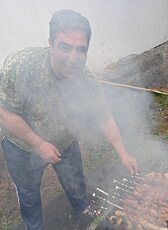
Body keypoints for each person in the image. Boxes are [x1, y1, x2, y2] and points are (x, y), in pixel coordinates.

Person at [0, 9, 138, 230]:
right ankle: (34, 227)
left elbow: (103, 116)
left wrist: (123, 152)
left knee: (76, 181)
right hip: (22, 147)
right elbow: (5, 112)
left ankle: (81, 207)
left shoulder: (87, 80)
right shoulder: (21, 66)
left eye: (80, 50)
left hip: (65, 140)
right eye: (65, 47)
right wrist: (39, 144)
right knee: (28, 194)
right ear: (51, 43)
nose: (73, 59)